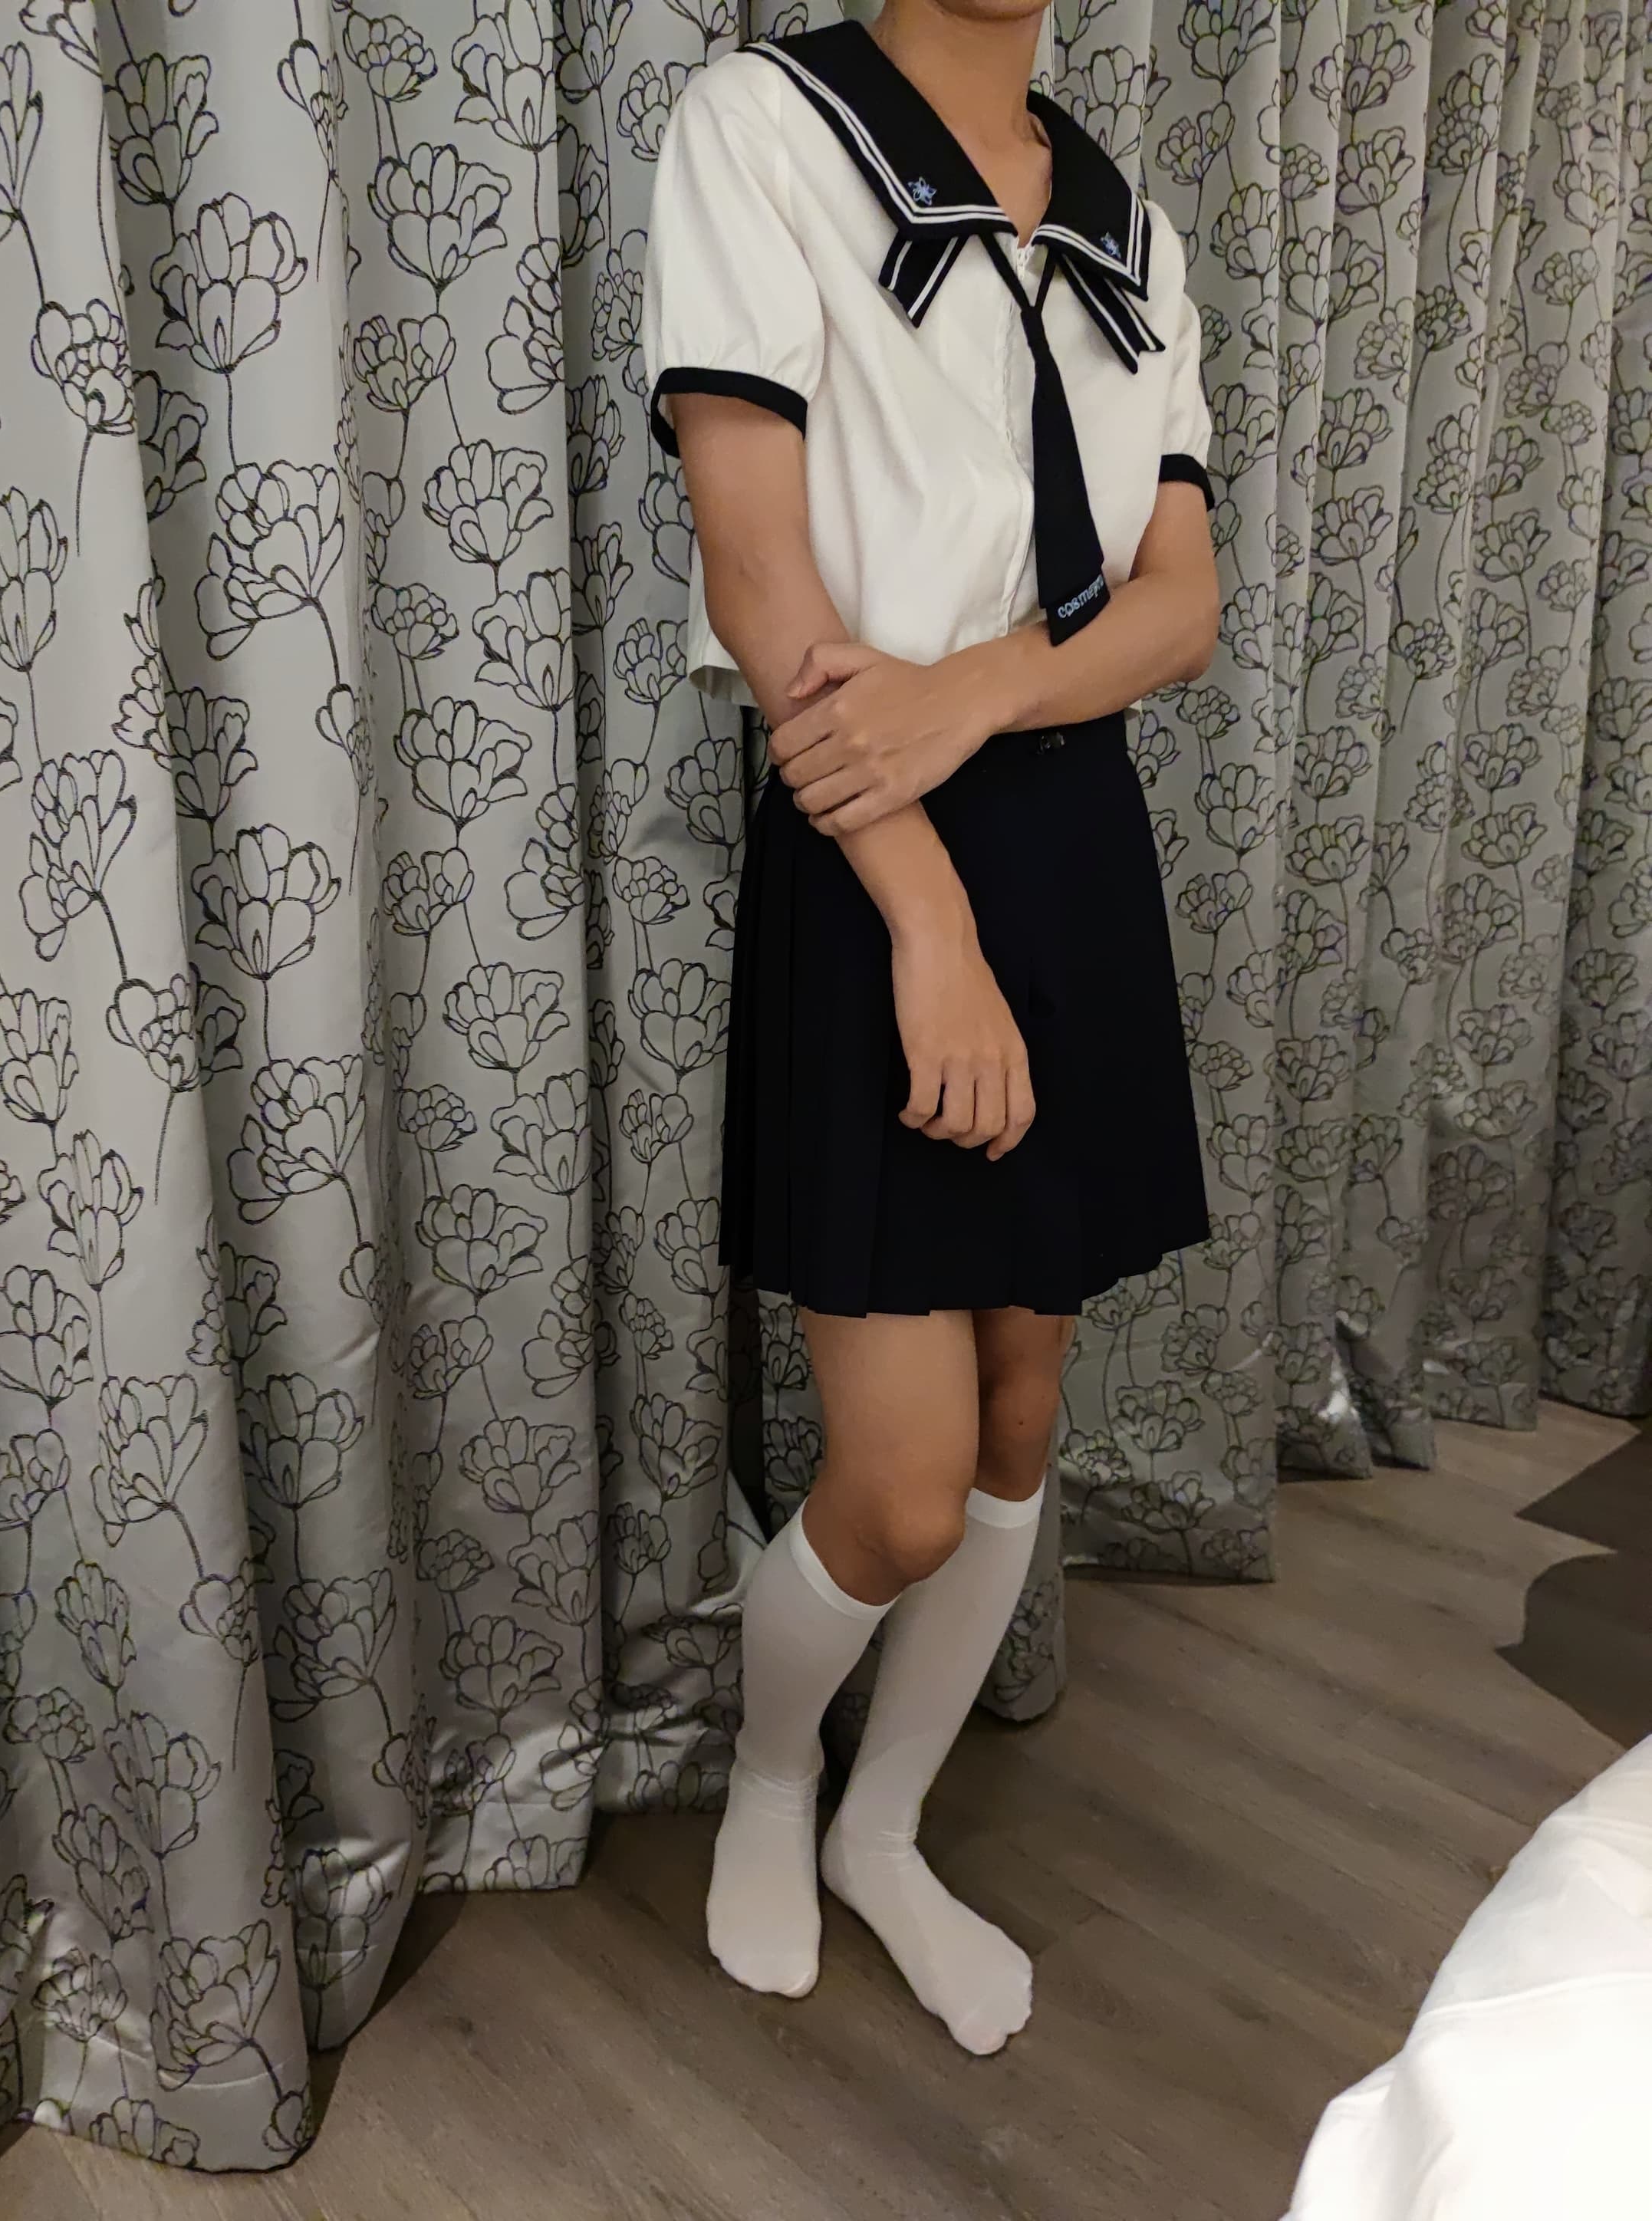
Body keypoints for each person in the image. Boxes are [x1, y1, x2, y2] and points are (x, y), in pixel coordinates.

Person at [641, 0, 1219, 2055]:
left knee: (1019, 1420)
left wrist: (976, 689)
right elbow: (760, 572)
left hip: (1068, 830)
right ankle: (772, 1778)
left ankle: (883, 1830)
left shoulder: (1130, 223)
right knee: (896, 1483)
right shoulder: (761, 127)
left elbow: (1177, 601)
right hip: (866, 836)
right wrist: (926, 918)